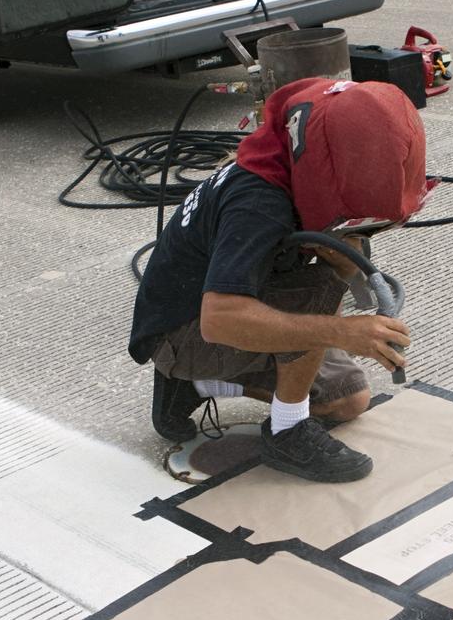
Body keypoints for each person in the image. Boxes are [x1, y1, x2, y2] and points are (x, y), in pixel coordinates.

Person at [128, 77, 431, 483]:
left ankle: (194, 386)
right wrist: (342, 331)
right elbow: (221, 318)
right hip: (186, 330)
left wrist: (349, 241)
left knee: (348, 401)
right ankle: (286, 431)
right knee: (317, 293)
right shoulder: (258, 203)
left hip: (217, 309)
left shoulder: (286, 151)